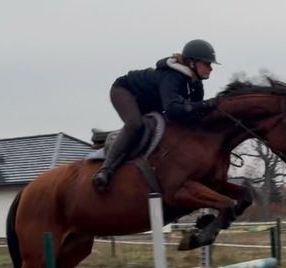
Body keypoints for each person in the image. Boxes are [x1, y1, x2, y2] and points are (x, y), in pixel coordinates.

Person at [92, 39, 220, 193]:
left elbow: (191, 114)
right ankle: (105, 170)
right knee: (135, 124)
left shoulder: (195, 85)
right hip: (125, 91)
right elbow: (173, 109)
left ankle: (113, 138)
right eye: (207, 63)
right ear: (192, 63)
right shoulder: (173, 76)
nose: (210, 68)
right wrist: (204, 105)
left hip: (149, 101)